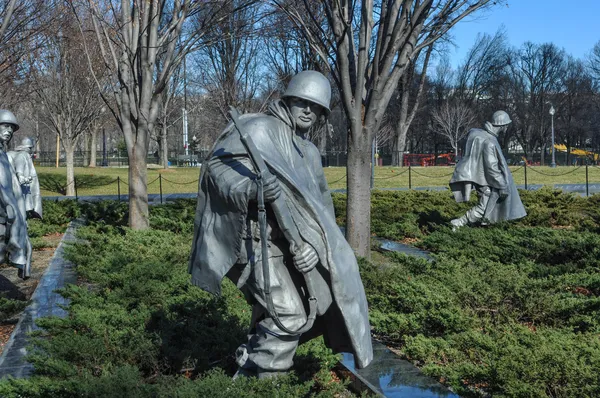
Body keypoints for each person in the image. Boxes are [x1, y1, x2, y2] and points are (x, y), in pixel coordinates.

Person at [189, 71, 373, 378]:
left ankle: (249, 366)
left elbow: (322, 211)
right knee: (289, 315)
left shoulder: (311, 153)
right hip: (255, 242)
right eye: (302, 102)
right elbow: (216, 172)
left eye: (316, 107)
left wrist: (318, 249)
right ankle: (266, 383)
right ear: (288, 100)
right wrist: (252, 189)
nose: (308, 111)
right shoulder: (258, 129)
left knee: (310, 309)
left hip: (294, 249)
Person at [449, 110, 527, 230]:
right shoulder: (489, 141)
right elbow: (492, 168)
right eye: (506, 125)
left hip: (483, 179)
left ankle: (484, 225)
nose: (506, 127)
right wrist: (502, 185)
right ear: (502, 125)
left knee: (487, 206)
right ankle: (459, 222)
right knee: (484, 207)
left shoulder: (484, 136)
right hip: (485, 181)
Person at [0, 110, 31, 278]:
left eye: (12, 127)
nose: (10, 130)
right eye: (5, 126)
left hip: (7, 215)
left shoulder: (3, 154)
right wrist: (9, 204)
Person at [8, 137, 43, 219]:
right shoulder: (23, 154)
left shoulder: (16, 153)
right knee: (22, 205)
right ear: (29, 147)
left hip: (21, 185)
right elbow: (19, 163)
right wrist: (20, 176)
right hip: (23, 185)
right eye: (31, 148)